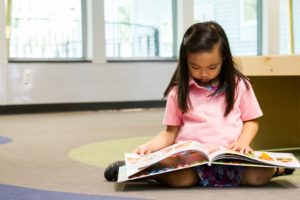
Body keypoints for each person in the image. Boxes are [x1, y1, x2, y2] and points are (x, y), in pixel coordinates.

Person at [104, 21, 294, 187]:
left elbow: (251, 121)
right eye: (195, 67)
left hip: (230, 160)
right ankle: (143, 170)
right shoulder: (178, 91)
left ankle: (278, 169)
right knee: (181, 180)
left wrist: (243, 142)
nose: (204, 73)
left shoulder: (240, 85)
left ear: (224, 60)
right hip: (191, 163)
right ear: (185, 61)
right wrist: (149, 147)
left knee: (257, 177)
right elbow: (170, 133)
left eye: (212, 67)